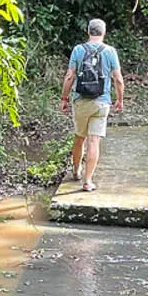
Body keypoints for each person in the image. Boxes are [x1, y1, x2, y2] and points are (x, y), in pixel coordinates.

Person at [60, 18, 125, 192]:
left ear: (88, 32)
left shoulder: (78, 50)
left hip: (80, 101)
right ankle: (88, 181)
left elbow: (69, 76)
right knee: (94, 141)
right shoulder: (110, 51)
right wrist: (120, 100)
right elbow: (118, 79)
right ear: (103, 33)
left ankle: (76, 170)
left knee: (79, 137)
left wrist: (64, 98)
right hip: (101, 102)